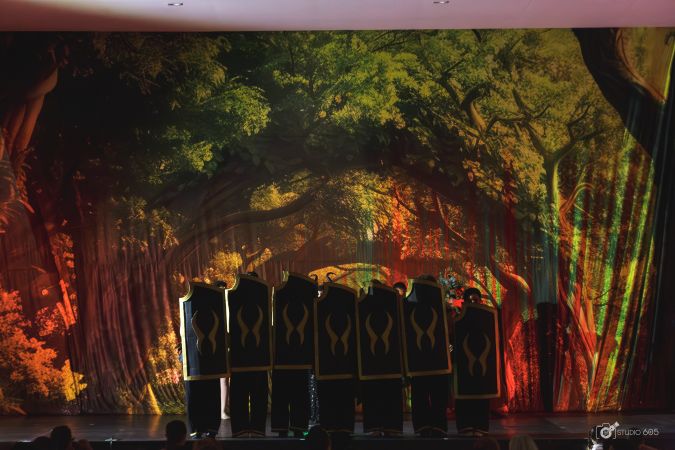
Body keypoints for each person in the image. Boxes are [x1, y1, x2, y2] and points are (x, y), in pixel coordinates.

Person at [454, 287, 498, 436]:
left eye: (475, 300)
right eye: (470, 300)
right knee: (464, 397)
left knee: (481, 395)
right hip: (463, 363)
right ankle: (465, 426)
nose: (473, 303)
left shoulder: (488, 317)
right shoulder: (458, 318)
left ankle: (480, 426)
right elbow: (452, 341)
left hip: (483, 361)